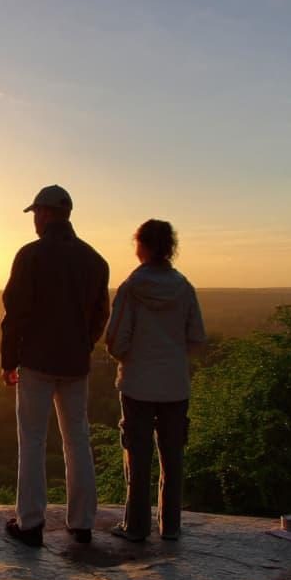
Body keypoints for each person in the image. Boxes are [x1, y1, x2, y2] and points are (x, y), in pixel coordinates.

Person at [1, 185, 110, 547]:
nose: (34, 220)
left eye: (35, 213)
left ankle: (30, 523)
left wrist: (8, 359)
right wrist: (84, 343)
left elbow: (14, 313)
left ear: (45, 214)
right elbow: (100, 315)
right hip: (75, 362)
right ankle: (81, 523)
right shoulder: (95, 261)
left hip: (36, 360)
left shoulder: (31, 255)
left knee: (32, 439)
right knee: (76, 437)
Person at [105, 219, 206, 543]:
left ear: (143, 246)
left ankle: (136, 526)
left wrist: (129, 358)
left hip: (137, 384)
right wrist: (173, 357)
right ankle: (171, 526)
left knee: (138, 455)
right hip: (175, 385)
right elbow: (196, 337)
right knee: (173, 456)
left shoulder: (132, 288)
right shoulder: (184, 287)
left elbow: (116, 340)